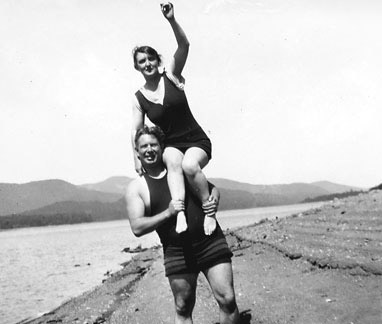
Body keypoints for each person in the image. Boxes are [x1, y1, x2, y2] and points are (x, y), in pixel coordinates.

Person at [126, 125, 240, 324]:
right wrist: (168, 212)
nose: (149, 150)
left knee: (227, 299)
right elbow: (137, 227)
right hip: (177, 251)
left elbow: (212, 190)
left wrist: (213, 202)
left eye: (153, 144)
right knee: (183, 307)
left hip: (209, 241)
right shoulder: (137, 188)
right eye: (144, 146)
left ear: (162, 146)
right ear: (137, 151)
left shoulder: (178, 167)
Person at [131, 2, 216, 236]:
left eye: (150, 59)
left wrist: (171, 19)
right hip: (172, 145)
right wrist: (136, 159)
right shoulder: (139, 98)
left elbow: (184, 45)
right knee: (172, 161)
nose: (147, 64)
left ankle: (209, 211)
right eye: (141, 61)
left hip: (196, 140)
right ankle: (180, 214)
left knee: (190, 165)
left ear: (157, 61)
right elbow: (136, 132)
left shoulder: (172, 75)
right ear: (137, 67)